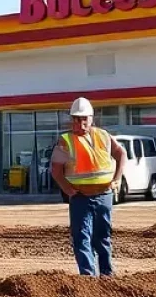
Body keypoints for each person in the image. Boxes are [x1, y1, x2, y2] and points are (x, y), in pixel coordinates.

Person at [50, 97, 127, 277]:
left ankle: (107, 275)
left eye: (84, 118)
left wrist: (117, 178)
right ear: (71, 119)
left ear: (91, 118)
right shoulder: (65, 140)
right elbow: (55, 170)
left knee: (103, 237)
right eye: (76, 119)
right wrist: (66, 189)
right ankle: (88, 278)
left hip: (104, 195)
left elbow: (121, 153)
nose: (80, 123)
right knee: (82, 237)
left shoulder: (103, 136)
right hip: (80, 197)